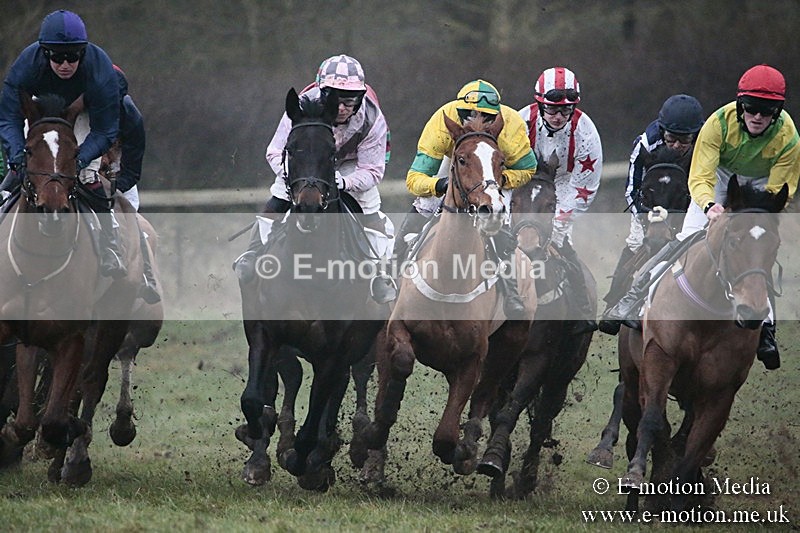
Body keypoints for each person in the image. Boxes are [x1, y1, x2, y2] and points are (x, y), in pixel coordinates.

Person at [602, 64, 800, 370]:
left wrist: (757, 215)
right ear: (740, 105)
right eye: (751, 108)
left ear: (777, 111)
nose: (758, 117)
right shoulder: (717, 124)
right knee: (684, 240)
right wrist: (710, 206)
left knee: (756, 249)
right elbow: (701, 175)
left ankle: (767, 330)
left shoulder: (789, 137)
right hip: (718, 180)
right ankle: (634, 295)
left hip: (760, 188)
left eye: (767, 110)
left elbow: (780, 190)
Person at [233, 54, 395, 302]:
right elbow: (275, 151)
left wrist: (343, 182)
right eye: (334, 98)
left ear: (360, 98)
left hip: (351, 165)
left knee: (371, 209)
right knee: (279, 195)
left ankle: (377, 274)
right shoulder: (300, 107)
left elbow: (373, 170)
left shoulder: (373, 118)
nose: (341, 107)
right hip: (305, 162)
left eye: (349, 100)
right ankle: (252, 253)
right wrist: (295, 177)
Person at [0, 9, 125, 279]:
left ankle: (109, 245)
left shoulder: (100, 69)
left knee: (88, 173)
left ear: (84, 52)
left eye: (73, 56)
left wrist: (79, 159)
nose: (65, 64)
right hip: (40, 115)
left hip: (83, 115)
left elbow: (105, 130)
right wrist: (16, 156)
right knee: (16, 174)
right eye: (57, 57)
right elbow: (8, 119)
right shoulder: (26, 65)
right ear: (45, 53)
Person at [399, 79, 538, 319]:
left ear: (497, 117)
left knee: (497, 219)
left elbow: (528, 168)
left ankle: (511, 289)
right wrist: (439, 185)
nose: (477, 121)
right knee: (424, 206)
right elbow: (414, 178)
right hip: (453, 165)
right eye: (469, 114)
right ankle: (390, 271)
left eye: (486, 117)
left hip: (491, 172)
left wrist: (496, 182)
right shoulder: (442, 123)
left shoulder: (511, 124)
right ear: (458, 111)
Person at [598, 94, 703, 327]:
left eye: (684, 139)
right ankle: (614, 305)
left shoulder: (705, 145)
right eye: (671, 138)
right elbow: (631, 188)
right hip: (650, 202)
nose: (676, 145)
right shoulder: (646, 143)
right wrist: (647, 219)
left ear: (695, 135)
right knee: (636, 242)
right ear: (662, 131)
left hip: (690, 202)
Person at [518, 67, 603, 334]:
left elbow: (583, 189)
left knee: (562, 246)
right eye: (552, 109)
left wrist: (556, 230)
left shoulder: (587, 134)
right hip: (524, 182)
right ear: (539, 103)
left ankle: (582, 308)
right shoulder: (521, 122)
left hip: (564, 186)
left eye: (566, 111)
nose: (558, 117)